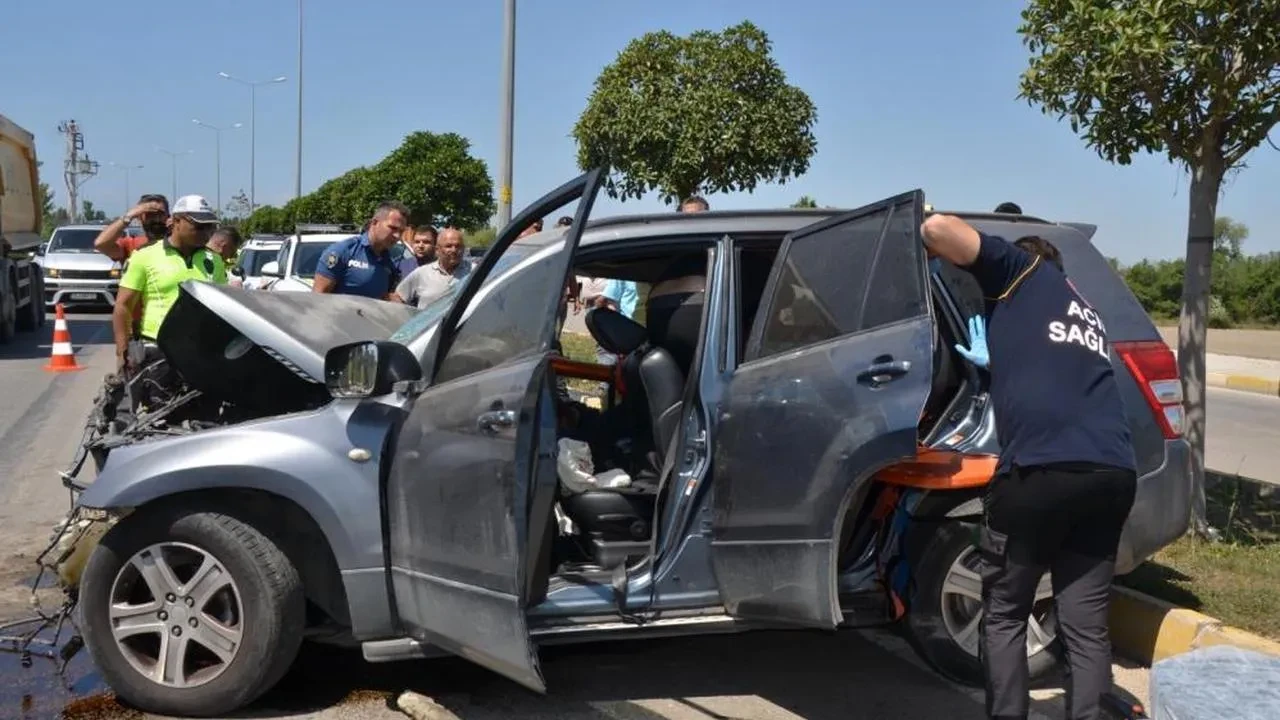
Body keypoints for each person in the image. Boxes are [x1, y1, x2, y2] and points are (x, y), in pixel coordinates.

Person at [920, 214, 1137, 720]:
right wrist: (996, 361)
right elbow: (1049, 370)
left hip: (1041, 472)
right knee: (1085, 624)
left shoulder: (1022, 270)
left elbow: (939, 228)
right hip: (1111, 475)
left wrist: (923, 247)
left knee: (1005, 612)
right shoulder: (1085, 311)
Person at [112, 195, 226, 374]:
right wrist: (122, 352)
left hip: (202, 351)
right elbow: (123, 305)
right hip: (158, 351)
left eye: (210, 227)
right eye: (199, 226)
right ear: (176, 221)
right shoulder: (144, 256)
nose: (206, 233)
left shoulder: (214, 260)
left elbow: (222, 306)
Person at [312, 201, 406, 299]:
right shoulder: (343, 252)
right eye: (393, 228)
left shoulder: (389, 261)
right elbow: (318, 298)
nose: (397, 235)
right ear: (375, 222)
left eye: (401, 231)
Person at [393, 227, 470, 308]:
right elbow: (398, 298)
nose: (454, 250)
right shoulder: (421, 272)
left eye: (458, 246)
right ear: (437, 249)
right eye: (448, 246)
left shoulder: (474, 271)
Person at [94, 194, 170, 261]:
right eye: (149, 215)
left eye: (160, 214)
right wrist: (129, 216)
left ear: (168, 216)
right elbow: (101, 244)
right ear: (139, 217)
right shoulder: (131, 245)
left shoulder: (175, 243)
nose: (156, 219)